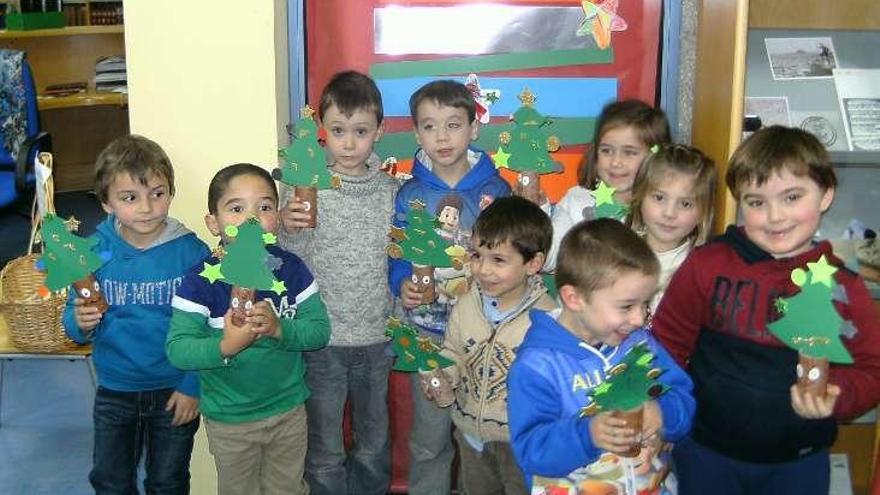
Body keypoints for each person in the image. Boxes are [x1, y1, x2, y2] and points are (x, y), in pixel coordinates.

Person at [652, 126, 880, 495]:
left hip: (799, 462)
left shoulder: (845, 287)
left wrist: (838, 394)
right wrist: (663, 415)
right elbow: (666, 346)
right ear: (740, 203)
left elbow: (872, 368)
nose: (775, 216)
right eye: (756, 202)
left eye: (792, 197)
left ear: (826, 195)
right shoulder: (707, 265)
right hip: (707, 453)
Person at [166, 163, 331, 495]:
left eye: (265, 207)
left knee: (288, 489)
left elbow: (319, 331)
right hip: (230, 420)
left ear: (277, 217)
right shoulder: (200, 281)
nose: (252, 219)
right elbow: (178, 349)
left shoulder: (291, 270)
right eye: (236, 208)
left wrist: (280, 330)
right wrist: (226, 345)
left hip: (288, 411)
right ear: (213, 223)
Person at [63, 134, 210, 494]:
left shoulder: (192, 254)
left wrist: (193, 385)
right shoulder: (90, 253)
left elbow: (209, 324)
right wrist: (78, 324)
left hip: (174, 389)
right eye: (130, 198)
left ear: (171, 193)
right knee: (110, 480)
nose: (146, 208)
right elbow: (73, 320)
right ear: (107, 203)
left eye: (157, 194)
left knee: (168, 481)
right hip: (115, 390)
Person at [507, 219, 695, 494]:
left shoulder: (641, 344)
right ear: (574, 299)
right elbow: (532, 450)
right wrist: (589, 435)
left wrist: (663, 413)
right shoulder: (538, 366)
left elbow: (683, 400)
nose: (640, 317)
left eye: (645, 303)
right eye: (627, 305)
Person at [278, 70, 399, 495]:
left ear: (379, 132)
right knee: (325, 447)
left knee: (373, 442)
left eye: (361, 131)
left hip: (376, 337)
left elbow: (400, 263)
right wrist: (287, 228)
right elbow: (288, 260)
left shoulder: (392, 191)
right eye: (338, 130)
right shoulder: (305, 188)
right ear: (322, 133)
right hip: (323, 339)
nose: (349, 143)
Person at [390, 79, 511, 495]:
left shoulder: (496, 190)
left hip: (484, 332)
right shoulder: (410, 194)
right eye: (429, 126)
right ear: (417, 133)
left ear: (474, 128)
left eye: (453, 124)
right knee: (429, 438)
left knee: (487, 438)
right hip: (428, 331)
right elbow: (397, 254)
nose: (442, 136)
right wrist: (401, 281)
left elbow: (511, 256)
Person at [421, 196, 557, 495]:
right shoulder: (467, 302)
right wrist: (444, 375)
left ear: (533, 263)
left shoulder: (548, 320)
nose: (483, 270)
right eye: (477, 255)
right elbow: (453, 351)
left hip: (522, 442)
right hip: (470, 436)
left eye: (499, 260)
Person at [546, 100, 671, 271]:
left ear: (656, 155)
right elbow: (549, 258)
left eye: (629, 152)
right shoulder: (576, 200)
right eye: (607, 150)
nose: (616, 162)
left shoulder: (662, 211)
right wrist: (534, 210)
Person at [626, 144, 717, 313]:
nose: (669, 213)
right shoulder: (616, 250)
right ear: (639, 197)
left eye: (685, 204)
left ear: (703, 213)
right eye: (659, 197)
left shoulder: (700, 271)